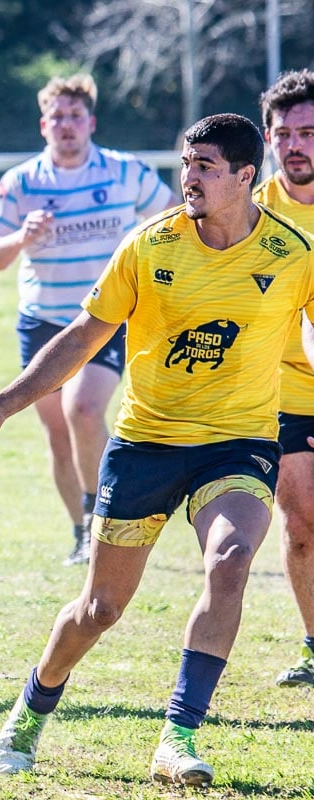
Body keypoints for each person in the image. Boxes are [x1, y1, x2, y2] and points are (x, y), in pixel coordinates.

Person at [0, 113, 314, 786]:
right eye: (186, 162)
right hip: (146, 444)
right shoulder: (149, 247)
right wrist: (2, 404)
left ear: (245, 177)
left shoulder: (293, 255)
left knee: (229, 561)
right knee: (100, 608)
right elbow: (84, 336)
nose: (189, 176)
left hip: (240, 445)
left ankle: (177, 737)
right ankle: (32, 706)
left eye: (205, 165)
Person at [0, 74, 176, 565]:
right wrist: (21, 239)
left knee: (84, 411)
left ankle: (103, 516)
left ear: (91, 122)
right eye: (57, 118)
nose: (67, 126)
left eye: (75, 117)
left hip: (106, 316)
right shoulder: (22, 182)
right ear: (44, 125)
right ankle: (81, 532)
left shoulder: (125, 172)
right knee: (60, 437)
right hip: (43, 321)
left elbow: (176, 219)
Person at [254, 69, 314, 688]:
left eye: (310, 132)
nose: (296, 144)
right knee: (301, 523)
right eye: (285, 133)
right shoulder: (247, 210)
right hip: (281, 390)